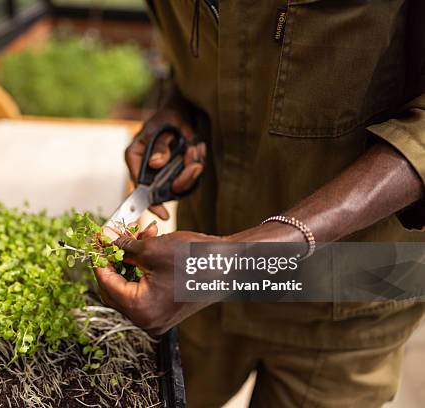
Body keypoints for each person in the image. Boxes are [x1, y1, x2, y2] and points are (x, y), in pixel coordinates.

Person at [93, 1, 425, 407]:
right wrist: (179, 106)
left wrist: (247, 258)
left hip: (347, 295)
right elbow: (208, 50)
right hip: (202, 281)